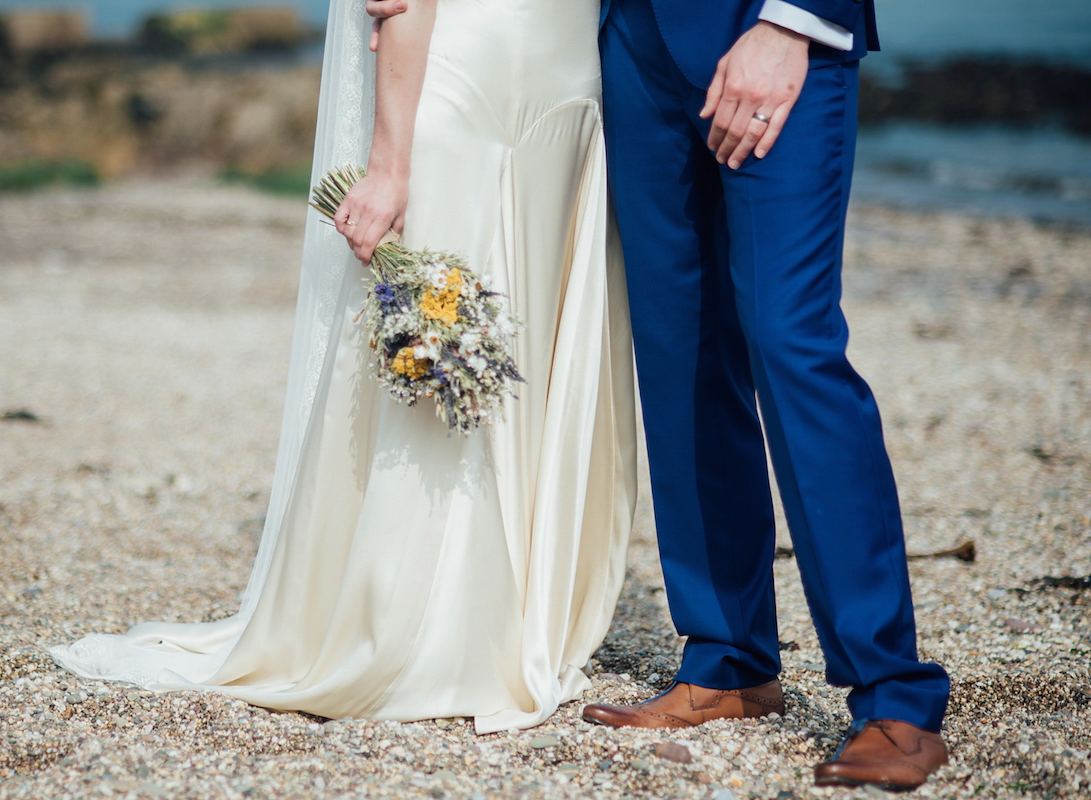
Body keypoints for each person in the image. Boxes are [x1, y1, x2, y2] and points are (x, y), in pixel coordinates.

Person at [368, 0, 951, 791]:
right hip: (632, 46)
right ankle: (727, 660)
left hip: (766, 31)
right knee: (682, 354)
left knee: (790, 341)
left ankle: (894, 696)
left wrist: (791, 24)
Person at [49, 0, 637, 734]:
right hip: (478, 64)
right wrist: (389, 165)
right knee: (456, 335)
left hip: (570, 72)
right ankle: (441, 615)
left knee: (529, 324)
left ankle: (519, 610)